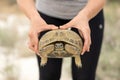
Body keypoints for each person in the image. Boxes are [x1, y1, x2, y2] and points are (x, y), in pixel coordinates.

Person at [17, 0, 106, 80]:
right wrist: (34, 17)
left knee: (85, 76)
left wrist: (86, 15)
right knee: (48, 75)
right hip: (46, 15)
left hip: (88, 12)